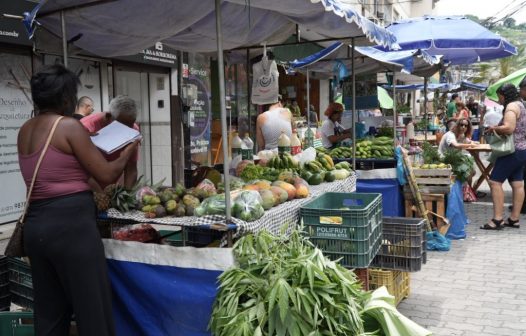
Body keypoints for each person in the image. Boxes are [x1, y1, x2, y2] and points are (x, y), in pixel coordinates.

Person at [17, 64, 139, 335]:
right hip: (71, 226)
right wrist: (129, 147)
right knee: (91, 307)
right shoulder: (69, 126)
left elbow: (59, 166)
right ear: (65, 99)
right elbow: (106, 176)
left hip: (37, 226)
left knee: (50, 312)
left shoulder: (25, 129)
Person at [481, 83, 526, 230]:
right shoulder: (522, 105)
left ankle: (497, 219)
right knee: (517, 183)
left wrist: (494, 128)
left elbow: (509, 127)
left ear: (504, 95)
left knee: (495, 182)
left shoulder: (511, 107)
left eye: (499, 95)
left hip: (511, 150)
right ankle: (514, 219)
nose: (499, 99)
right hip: (522, 150)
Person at [81, 95, 140, 191]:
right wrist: (100, 194)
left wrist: (128, 195)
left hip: (112, 188)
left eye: (130, 126)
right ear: (109, 117)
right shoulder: (85, 127)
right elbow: (82, 171)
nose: (127, 131)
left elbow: (131, 168)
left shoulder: (133, 130)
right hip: (87, 189)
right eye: (121, 128)